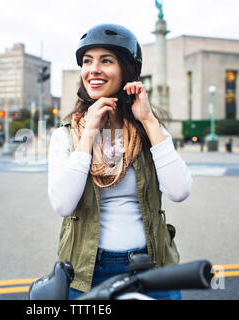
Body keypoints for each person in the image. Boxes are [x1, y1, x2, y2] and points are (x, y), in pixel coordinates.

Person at [47, 24, 192, 300]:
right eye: (87, 61)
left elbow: (179, 191)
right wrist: (89, 133)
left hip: (151, 267)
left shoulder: (150, 130)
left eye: (106, 60)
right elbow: (63, 205)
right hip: (88, 272)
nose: (94, 69)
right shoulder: (65, 136)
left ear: (127, 70)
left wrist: (148, 120)